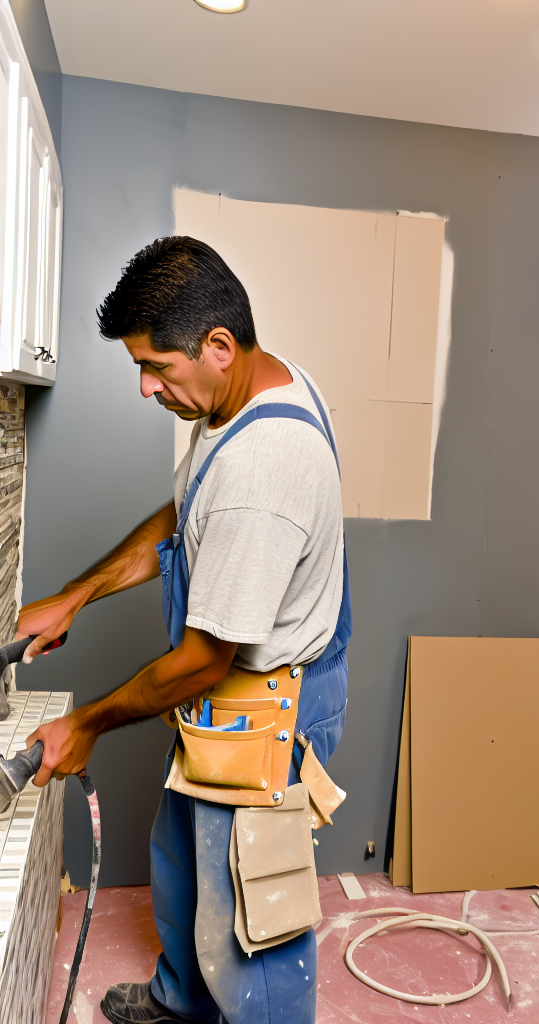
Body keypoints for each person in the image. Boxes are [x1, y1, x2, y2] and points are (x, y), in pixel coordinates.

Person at [18, 236, 351, 1024]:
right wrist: (76, 595)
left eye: (156, 366)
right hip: (222, 694)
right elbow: (189, 514)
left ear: (219, 346)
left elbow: (204, 660)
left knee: (252, 923)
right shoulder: (247, 392)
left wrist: (84, 726)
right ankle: (183, 1002)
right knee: (183, 865)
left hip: (266, 707)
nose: (145, 386)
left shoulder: (263, 467)